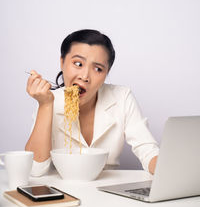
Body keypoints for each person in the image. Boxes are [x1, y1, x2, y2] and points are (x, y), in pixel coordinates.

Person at [25, 29, 159, 177]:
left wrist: (167, 169)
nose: (85, 76)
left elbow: (148, 151)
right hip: (63, 191)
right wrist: (45, 105)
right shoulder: (48, 100)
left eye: (98, 69)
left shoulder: (122, 97)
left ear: (106, 73)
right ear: (62, 62)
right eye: (78, 63)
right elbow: (34, 169)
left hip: (107, 192)